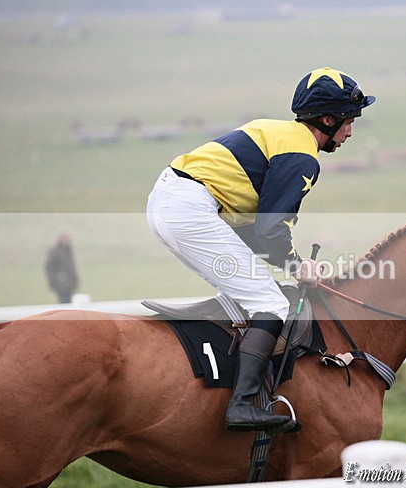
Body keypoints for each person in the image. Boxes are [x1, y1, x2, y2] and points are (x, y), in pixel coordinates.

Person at [146, 67, 375, 433]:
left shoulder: (280, 133)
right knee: (270, 303)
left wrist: (290, 264)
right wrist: (298, 267)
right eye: (349, 121)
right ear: (329, 120)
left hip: (177, 201)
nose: (350, 131)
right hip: (188, 208)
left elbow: (257, 233)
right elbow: (270, 229)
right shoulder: (302, 156)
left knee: (253, 289)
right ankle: (241, 405)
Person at [45, 232, 79, 304]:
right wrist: (55, 281)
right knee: (63, 302)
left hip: (69, 283)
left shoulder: (68, 250)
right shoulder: (55, 251)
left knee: (69, 302)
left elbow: (72, 268)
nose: (69, 240)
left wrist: (75, 281)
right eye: (67, 238)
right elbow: (49, 267)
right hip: (60, 284)